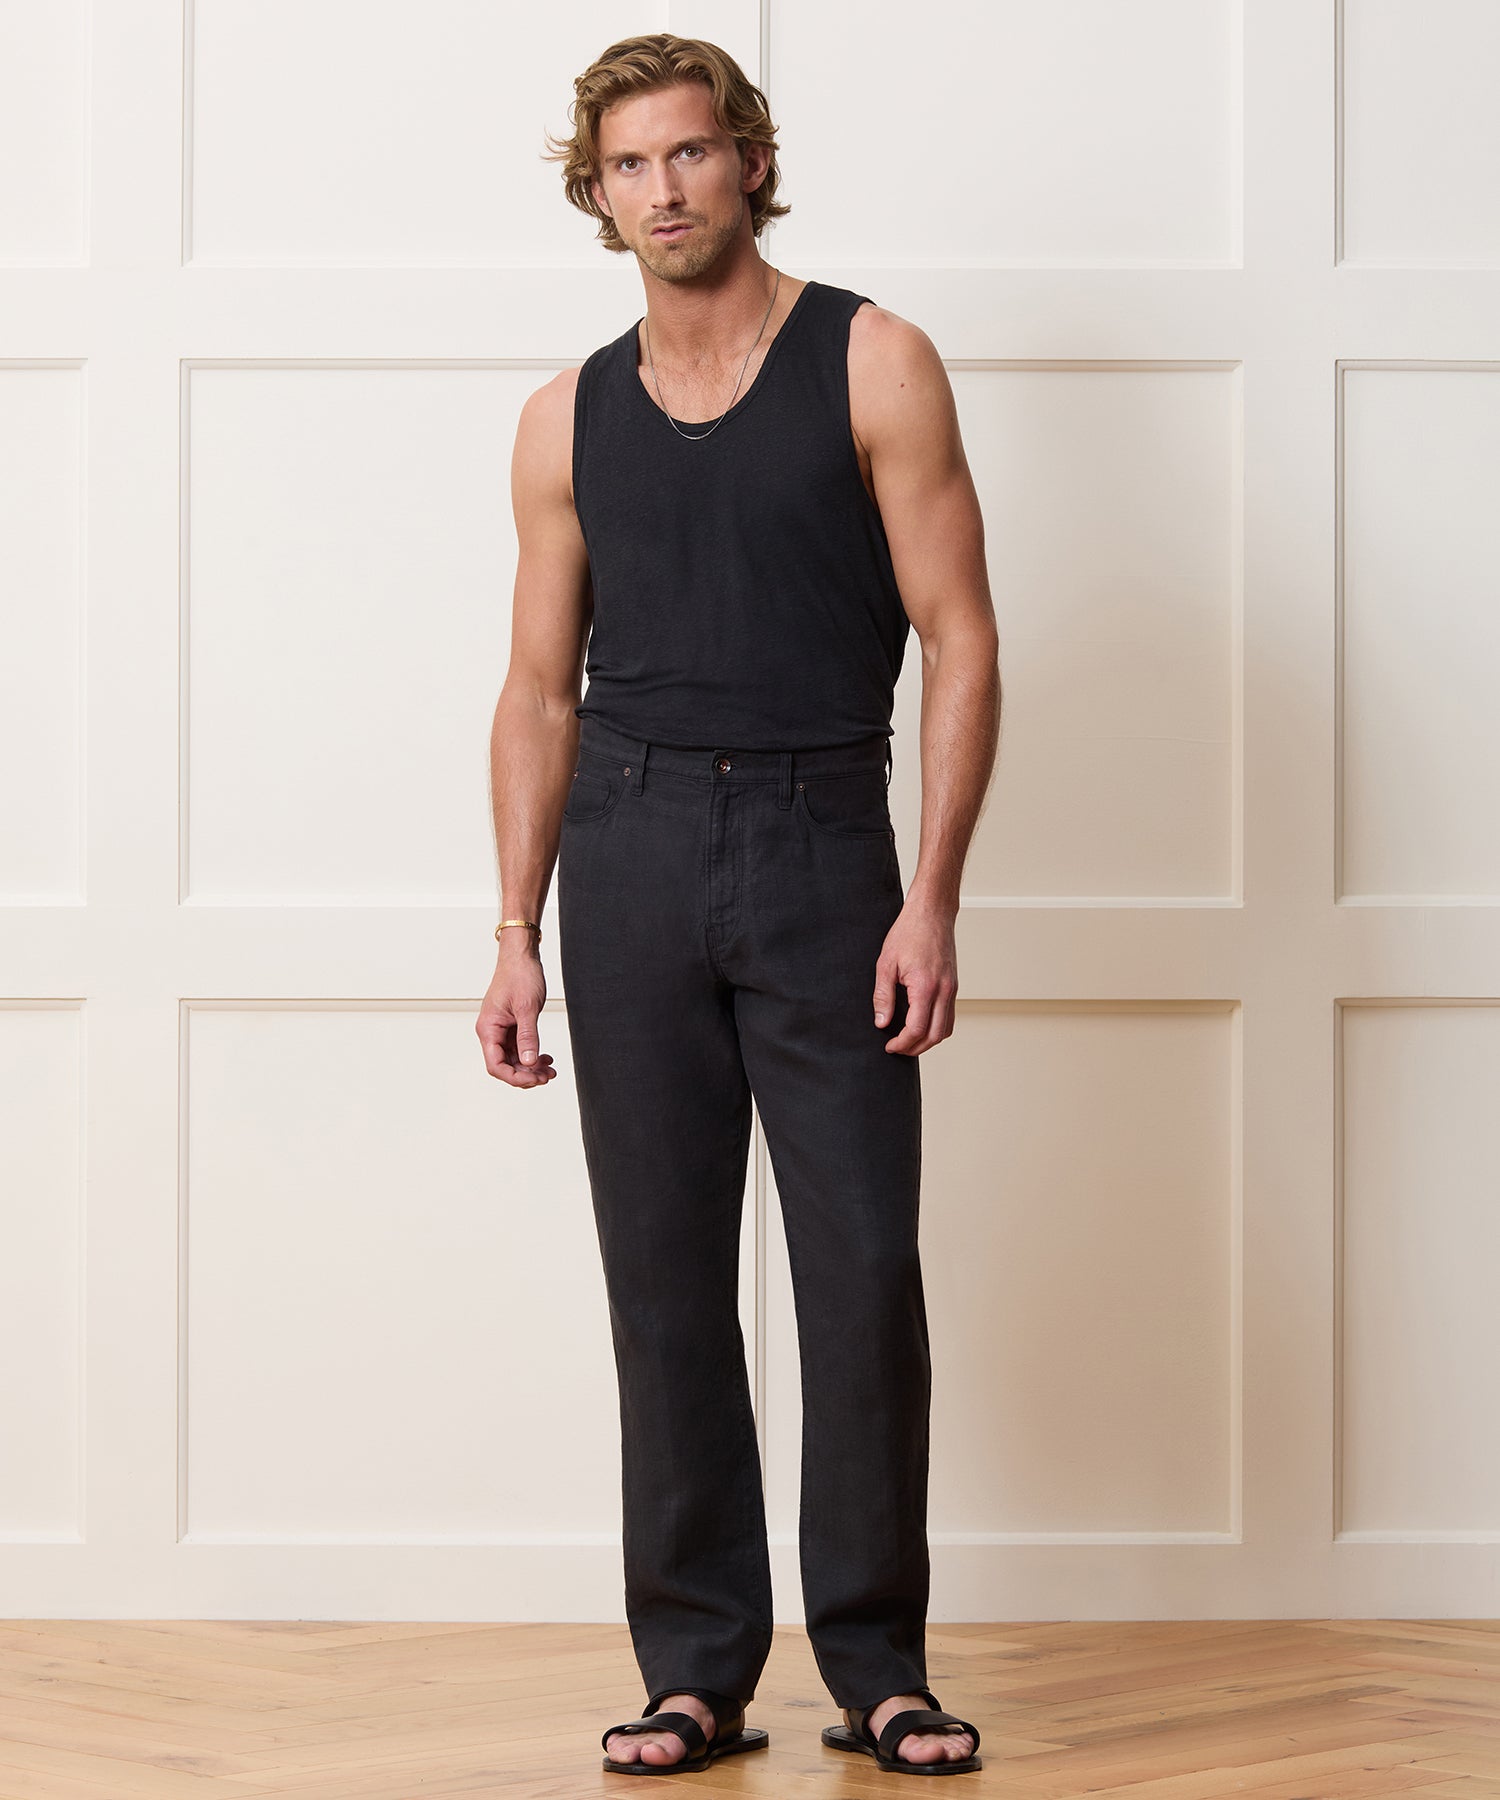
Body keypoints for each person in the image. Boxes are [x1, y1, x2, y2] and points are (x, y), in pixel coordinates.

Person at [476, 31, 1000, 1779]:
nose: (665, 189)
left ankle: (879, 1667)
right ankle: (696, 1669)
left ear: (750, 161)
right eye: (629, 165)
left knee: (860, 1273)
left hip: (820, 843)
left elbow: (963, 640)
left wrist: (932, 896)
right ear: (596, 190)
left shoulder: (874, 358)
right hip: (625, 854)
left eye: (692, 153)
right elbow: (536, 690)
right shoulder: (565, 415)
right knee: (664, 1283)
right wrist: (513, 932)